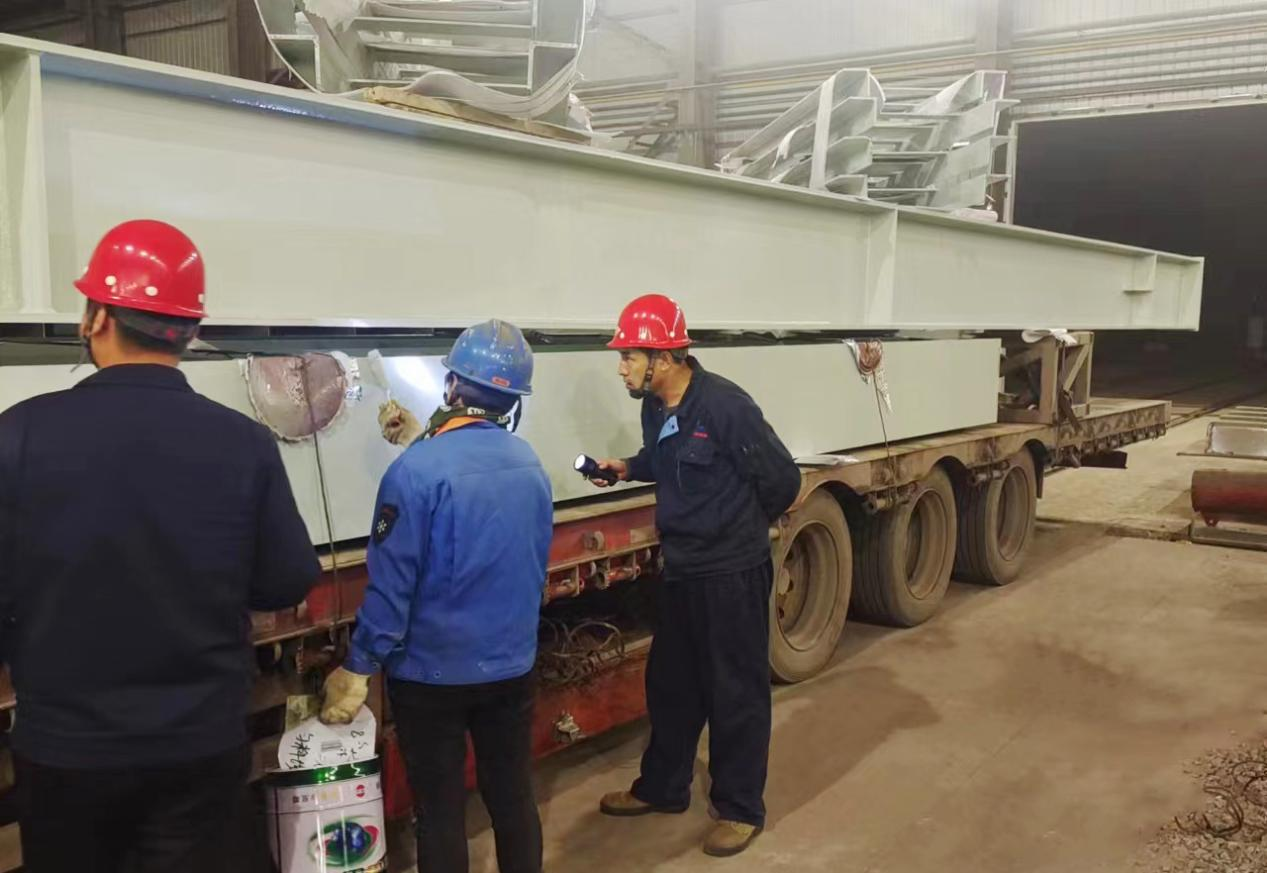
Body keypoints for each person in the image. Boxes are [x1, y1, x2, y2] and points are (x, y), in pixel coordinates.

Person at [0, 219, 320, 873]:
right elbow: (286, 580)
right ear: (190, 332)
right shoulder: (243, 442)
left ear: (95, 318)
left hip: (65, 751)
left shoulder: (17, 435)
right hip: (198, 746)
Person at [320, 319, 553, 873]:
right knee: (513, 796)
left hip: (431, 677)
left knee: (441, 811)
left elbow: (392, 586)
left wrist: (359, 666)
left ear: (451, 385)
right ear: (512, 401)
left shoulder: (415, 473)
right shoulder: (530, 464)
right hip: (511, 666)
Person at [584, 293, 801, 858]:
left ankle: (740, 808)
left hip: (731, 572)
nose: (621, 367)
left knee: (735, 692)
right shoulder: (656, 406)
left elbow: (783, 480)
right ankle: (663, 787)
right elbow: (663, 460)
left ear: (663, 358)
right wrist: (626, 468)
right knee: (672, 686)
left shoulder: (727, 406)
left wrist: (736, 529)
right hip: (681, 569)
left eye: (629, 356)